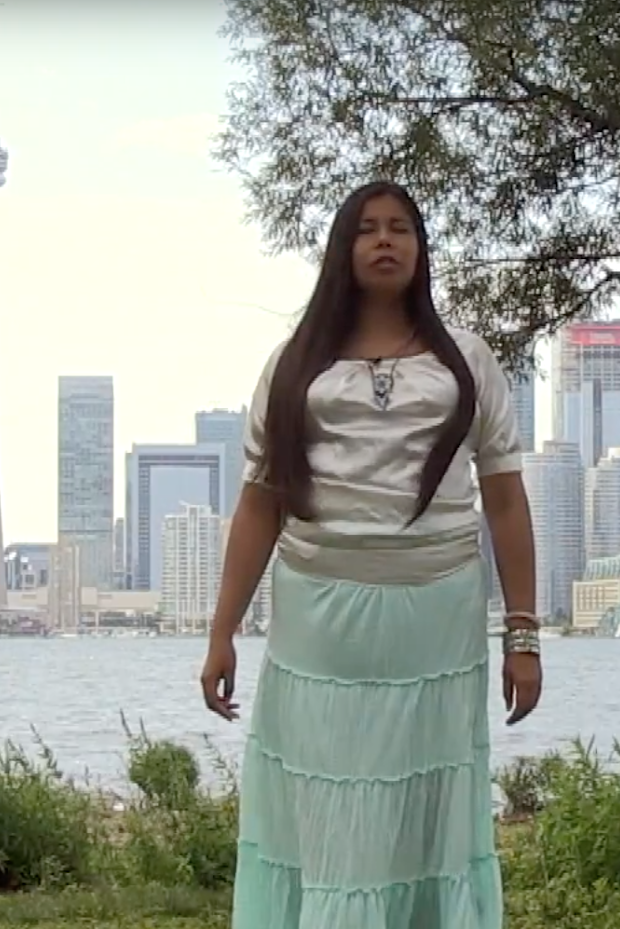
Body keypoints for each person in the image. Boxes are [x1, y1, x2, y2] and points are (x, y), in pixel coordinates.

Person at [198, 180, 542, 929]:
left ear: (421, 251)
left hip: (439, 616)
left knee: (430, 806)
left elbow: (507, 502)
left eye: (401, 229)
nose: (386, 240)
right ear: (342, 250)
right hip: (321, 620)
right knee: (329, 799)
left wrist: (524, 636)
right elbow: (260, 504)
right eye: (367, 229)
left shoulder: (469, 363)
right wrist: (222, 630)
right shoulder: (293, 367)